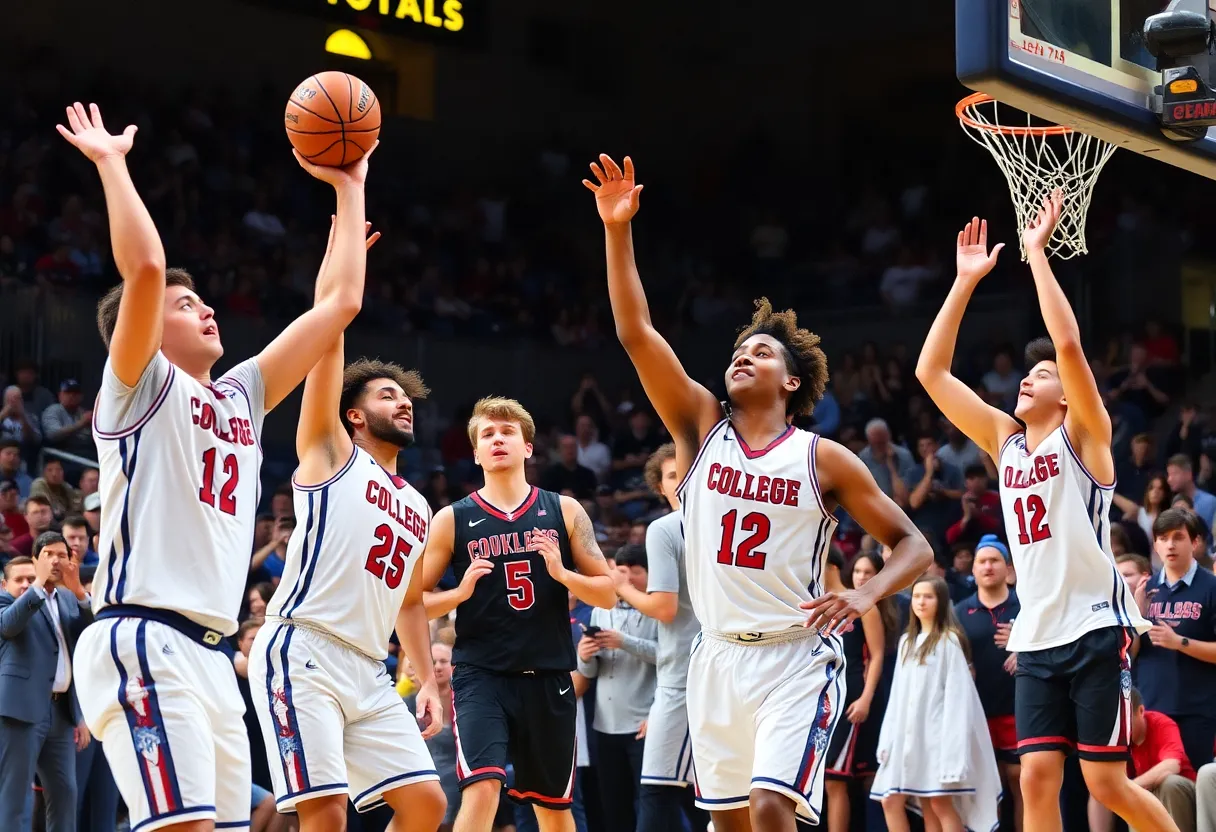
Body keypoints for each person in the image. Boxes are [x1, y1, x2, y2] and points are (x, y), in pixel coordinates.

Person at [585, 153, 932, 831]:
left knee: (773, 805)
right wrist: (617, 230)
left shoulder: (824, 458)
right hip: (716, 655)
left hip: (795, 656)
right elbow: (635, 334)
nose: (745, 356)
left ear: (792, 383)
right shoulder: (699, 426)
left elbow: (914, 545)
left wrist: (865, 595)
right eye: (739, 352)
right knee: (733, 821)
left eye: (763, 353)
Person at [58, 100, 376, 832]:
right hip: (144, 635)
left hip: (212, 653)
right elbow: (144, 267)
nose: (205, 311)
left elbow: (340, 304)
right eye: (185, 305)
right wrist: (111, 164)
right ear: (144, 328)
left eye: (204, 301)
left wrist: (350, 184)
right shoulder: (138, 386)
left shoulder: (239, 396)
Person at [915, 199, 1168, 832]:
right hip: (1037, 634)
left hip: (1095, 626)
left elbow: (1070, 345)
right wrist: (964, 282)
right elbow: (931, 372)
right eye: (1027, 373)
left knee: (1106, 783)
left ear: (1067, 395)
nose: (1029, 378)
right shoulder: (1005, 442)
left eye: (1043, 374)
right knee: (1034, 779)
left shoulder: (1085, 437)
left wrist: (1036, 256)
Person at [249, 252, 447, 832]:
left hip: (369, 666)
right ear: (353, 416)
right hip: (304, 647)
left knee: (427, 804)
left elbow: (410, 601)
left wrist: (426, 678)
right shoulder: (332, 454)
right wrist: (339, 269)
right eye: (386, 395)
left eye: (404, 397)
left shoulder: (419, 505)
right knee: (326, 814)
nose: (403, 402)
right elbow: (327, 339)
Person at [421, 397, 615, 832]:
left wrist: (563, 573)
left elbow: (606, 593)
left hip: (548, 676)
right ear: (475, 453)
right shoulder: (452, 519)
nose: (497, 439)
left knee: (553, 809)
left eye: (507, 432)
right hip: (481, 675)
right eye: (487, 434)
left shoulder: (565, 510)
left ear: (528, 447)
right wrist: (459, 593)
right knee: (483, 787)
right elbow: (412, 602)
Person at [609, 443, 707, 832]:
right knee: (714, 792)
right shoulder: (728, 522)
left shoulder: (665, 528)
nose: (680, 481)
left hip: (684, 673)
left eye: (685, 471)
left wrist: (622, 587)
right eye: (671, 475)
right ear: (659, 486)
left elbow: (664, 609)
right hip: (729, 665)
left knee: (657, 788)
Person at [870, 576, 1001, 832]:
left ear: (941, 602)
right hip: (907, 738)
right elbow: (897, 696)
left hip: (936, 739)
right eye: (917, 596)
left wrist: (953, 750)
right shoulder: (906, 642)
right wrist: (887, 738)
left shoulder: (948, 641)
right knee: (893, 800)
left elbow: (958, 698)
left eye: (928, 597)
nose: (921, 602)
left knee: (938, 803)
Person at [0, 533, 92, 832]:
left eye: (61, 555)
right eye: (48, 554)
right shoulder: (10, 600)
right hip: (21, 710)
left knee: (66, 793)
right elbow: (9, 627)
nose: (55, 560)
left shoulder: (67, 598)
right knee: (15, 796)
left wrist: (79, 591)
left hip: (61, 712)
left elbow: (91, 635)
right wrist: (37, 583)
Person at [575, 544, 657, 832]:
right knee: (614, 807)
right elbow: (591, 672)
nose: (628, 579)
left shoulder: (660, 609)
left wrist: (625, 642)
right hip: (605, 725)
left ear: (651, 574)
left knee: (651, 807)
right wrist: (584, 656)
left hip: (644, 724)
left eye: (636, 572)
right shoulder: (600, 610)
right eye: (622, 571)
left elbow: (671, 657)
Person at [1135, 508, 1216, 769]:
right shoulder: (1144, 590)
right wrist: (1136, 619)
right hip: (1151, 707)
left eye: (1178, 537)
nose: (1170, 545)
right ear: (1155, 545)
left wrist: (1179, 643)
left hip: (1196, 709)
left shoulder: (1211, 587)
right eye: (1163, 538)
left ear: (1195, 542)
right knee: (1153, 786)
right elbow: (1128, 654)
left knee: (1195, 785)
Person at [955, 535, 1023, 830]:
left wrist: (1024, 648)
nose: (988, 566)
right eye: (982, 561)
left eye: (994, 560)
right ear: (973, 569)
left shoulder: (1027, 606)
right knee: (985, 786)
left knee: (1020, 780)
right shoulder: (959, 611)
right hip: (977, 712)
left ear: (1008, 568)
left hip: (1018, 708)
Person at [823, 547, 886, 832]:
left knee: (835, 779)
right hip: (818, 698)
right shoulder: (814, 601)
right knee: (816, 780)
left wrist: (866, 698)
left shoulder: (862, 604)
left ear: (832, 566)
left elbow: (877, 654)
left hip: (849, 697)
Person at [1089, 689, 1197, 832]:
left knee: (1169, 783)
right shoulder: (1114, 738)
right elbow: (1103, 784)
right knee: (1100, 788)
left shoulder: (1161, 723)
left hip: (1180, 795)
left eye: (1124, 722)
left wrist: (1129, 787)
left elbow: (1172, 765)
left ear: (1140, 711)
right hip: (1146, 794)